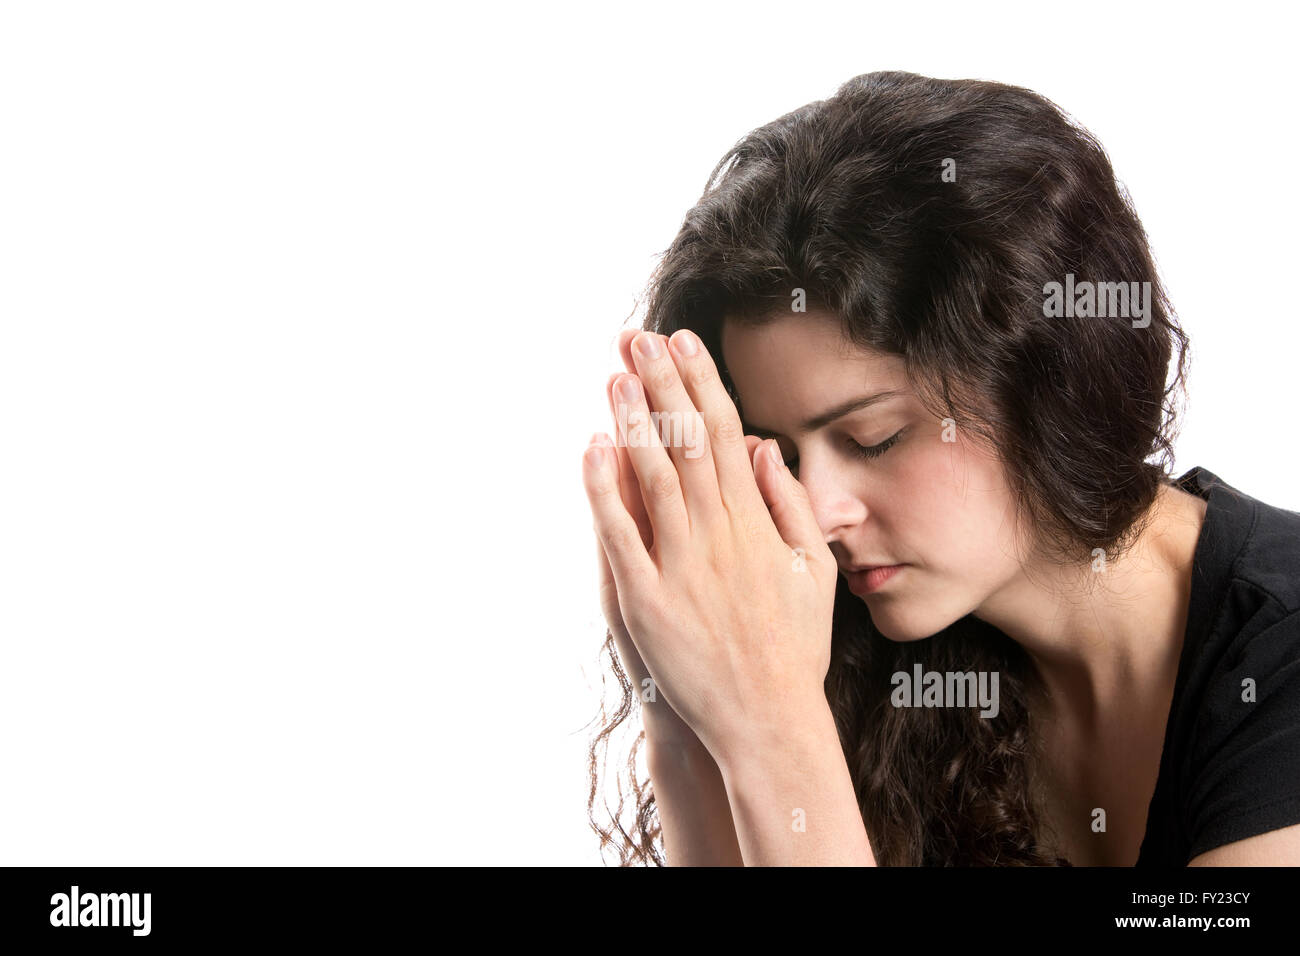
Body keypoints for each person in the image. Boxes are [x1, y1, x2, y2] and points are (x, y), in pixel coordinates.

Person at [581, 71, 1300, 866]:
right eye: (779, 457)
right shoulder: (885, 661)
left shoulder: (1282, 657)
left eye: (875, 438)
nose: (816, 515)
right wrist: (685, 720)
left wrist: (773, 727)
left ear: (1043, 382)